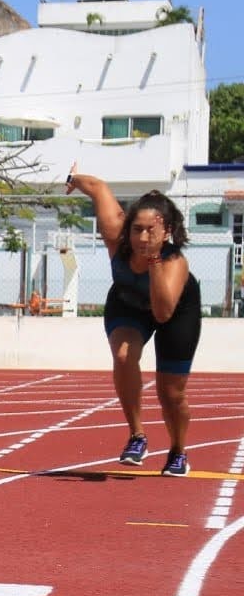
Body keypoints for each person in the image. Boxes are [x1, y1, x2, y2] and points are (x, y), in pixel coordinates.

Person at [65, 163, 200, 477]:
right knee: (124, 355)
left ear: (166, 232)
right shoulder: (116, 236)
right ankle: (138, 436)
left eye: (151, 231)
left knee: (171, 394)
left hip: (174, 310)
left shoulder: (174, 261)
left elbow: (163, 312)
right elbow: (97, 186)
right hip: (127, 303)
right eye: (136, 229)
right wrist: (73, 179)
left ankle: (178, 450)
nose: (141, 236)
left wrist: (153, 261)